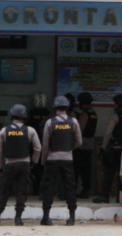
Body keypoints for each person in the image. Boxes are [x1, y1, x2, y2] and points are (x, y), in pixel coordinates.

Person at [0, 104, 42, 226]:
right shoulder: (30, 130)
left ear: (12, 116)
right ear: (25, 116)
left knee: (4, 191)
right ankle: (18, 218)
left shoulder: (4, 130)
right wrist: (33, 162)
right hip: (25, 164)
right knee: (22, 191)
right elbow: (38, 148)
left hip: (9, 164)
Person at [40, 96, 82, 226]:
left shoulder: (49, 122)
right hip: (68, 159)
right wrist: (69, 149)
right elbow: (79, 142)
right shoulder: (73, 121)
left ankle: (46, 217)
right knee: (70, 187)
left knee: (50, 188)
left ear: (55, 108)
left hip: (52, 159)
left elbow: (45, 144)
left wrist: (44, 161)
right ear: (67, 107)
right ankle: (71, 218)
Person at [94, 94, 122, 204]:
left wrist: (104, 147)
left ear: (119, 104)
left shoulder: (116, 115)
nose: (113, 105)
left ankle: (105, 196)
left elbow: (108, 133)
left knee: (109, 173)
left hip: (115, 148)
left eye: (115, 103)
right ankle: (121, 199)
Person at [74, 92, 97, 199]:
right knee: (87, 169)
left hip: (81, 145)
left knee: (77, 169)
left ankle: (77, 190)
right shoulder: (94, 113)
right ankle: (86, 190)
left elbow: (79, 130)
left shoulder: (84, 114)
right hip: (90, 145)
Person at [28, 92, 50, 195]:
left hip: (33, 143)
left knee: (34, 167)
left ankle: (36, 188)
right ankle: (43, 189)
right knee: (44, 168)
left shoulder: (31, 114)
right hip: (45, 143)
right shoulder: (47, 113)